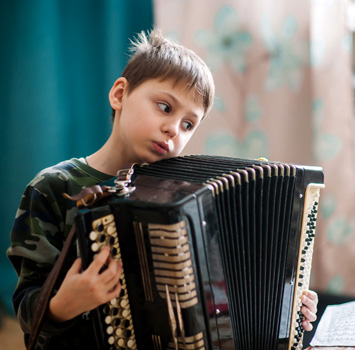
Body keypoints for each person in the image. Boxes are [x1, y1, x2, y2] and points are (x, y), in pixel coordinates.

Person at [7, 28, 317, 350]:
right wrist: (64, 304)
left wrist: (287, 303)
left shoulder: (185, 197)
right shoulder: (52, 187)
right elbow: (29, 312)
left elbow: (223, 288)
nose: (173, 129)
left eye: (188, 125)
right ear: (120, 95)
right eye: (165, 107)